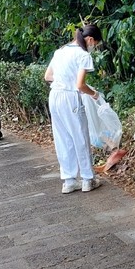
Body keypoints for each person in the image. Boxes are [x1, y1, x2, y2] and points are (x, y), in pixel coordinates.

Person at [45, 24, 104, 194]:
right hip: (70, 98)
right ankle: (88, 179)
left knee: (62, 138)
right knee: (80, 137)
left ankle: (69, 181)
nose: (95, 48)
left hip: (55, 95)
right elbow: (80, 85)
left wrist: (65, 79)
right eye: (96, 44)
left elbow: (48, 76)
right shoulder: (82, 54)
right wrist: (94, 94)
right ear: (91, 40)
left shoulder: (60, 51)